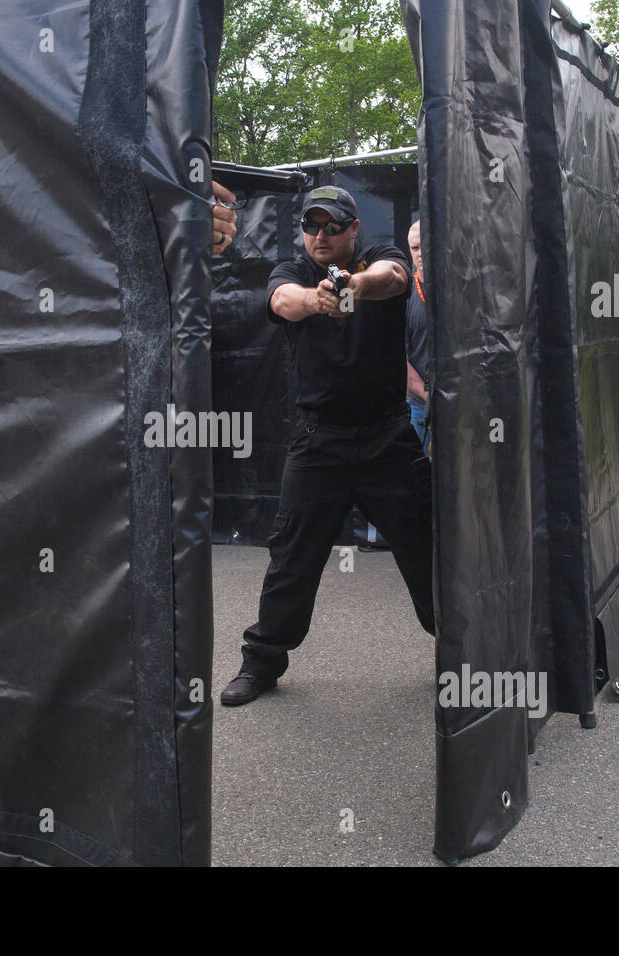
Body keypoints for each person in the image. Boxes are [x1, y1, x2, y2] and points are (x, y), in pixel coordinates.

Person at [220, 185, 436, 706]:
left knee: (429, 550)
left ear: (353, 229)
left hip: (388, 437)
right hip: (320, 441)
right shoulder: (293, 272)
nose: (320, 235)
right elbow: (281, 302)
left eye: (332, 227)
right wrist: (319, 299)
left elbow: (394, 279)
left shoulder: (379, 257)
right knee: (292, 557)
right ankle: (262, 662)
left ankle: (465, 653)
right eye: (312, 226)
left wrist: (352, 287)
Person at [405, 216, 431, 456]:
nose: (421, 253)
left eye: (426, 244)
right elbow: (396, 358)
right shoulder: (405, 296)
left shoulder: (462, 287)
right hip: (419, 406)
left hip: (461, 405)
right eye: (415, 248)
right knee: (419, 472)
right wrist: (428, 394)